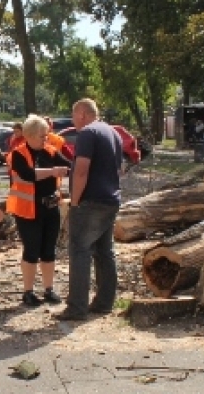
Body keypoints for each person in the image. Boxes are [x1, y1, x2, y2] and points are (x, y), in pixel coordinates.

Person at [59, 98, 123, 321]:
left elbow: (80, 171)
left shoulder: (87, 133)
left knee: (79, 251)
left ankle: (77, 307)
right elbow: (119, 168)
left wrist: (74, 202)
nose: (73, 120)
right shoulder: (112, 133)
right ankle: (104, 303)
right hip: (110, 199)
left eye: (74, 115)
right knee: (105, 251)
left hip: (90, 202)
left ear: (83, 115)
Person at [8, 115, 70, 307]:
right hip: (27, 211)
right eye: (43, 135)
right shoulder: (17, 154)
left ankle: (49, 289)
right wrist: (52, 171)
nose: (47, 138)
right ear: (30, 136)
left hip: (50, 208)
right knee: (32, 250)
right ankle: (28, 292)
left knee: (49, 250)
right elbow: (27, 175)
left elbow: (70, 165)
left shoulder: (51, 151)